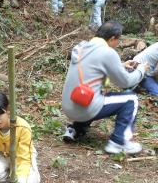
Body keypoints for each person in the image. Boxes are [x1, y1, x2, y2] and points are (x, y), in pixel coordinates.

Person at [62, 21, 148, 154]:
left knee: (96, 92)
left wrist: (120, 65)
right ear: (112, 38)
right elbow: (126, 82)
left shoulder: (82, 46)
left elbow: (94, 64)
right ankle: (118, 143)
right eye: (118, 40)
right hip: (85, 109)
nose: (118, 44)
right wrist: (141, 70)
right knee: (131, 99)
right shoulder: (107, 52)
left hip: (69, 106)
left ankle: (74, 129)